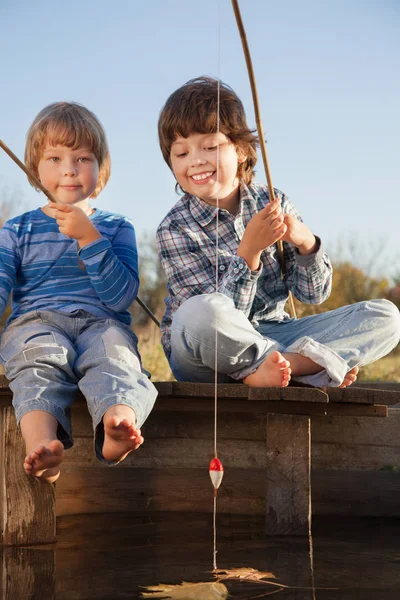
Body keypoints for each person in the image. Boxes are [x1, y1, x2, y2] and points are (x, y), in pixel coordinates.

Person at [156, 76, 400, 389]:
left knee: (385, 317)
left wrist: (305, 243)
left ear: (242, 150)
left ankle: (290, 366)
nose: (196, 160)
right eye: (181, 153)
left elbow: (313, 295)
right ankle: (310, 366)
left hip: (276, 331)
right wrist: (249, 252)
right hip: (208, 357)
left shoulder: (272, 200)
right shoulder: (175, 227)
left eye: (210, 146)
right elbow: (221, 317)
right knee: (196, 313)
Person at [0, 102, 157, 483]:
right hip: (36, 323)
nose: (68, 168)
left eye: (82, 157)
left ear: (99, 170)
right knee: (37, 363)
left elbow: (120, 298)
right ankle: (43, 446)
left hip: (101, 323)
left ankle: (117, 424)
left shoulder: (117, 227)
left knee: (117, 359)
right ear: (35, 168)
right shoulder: (17, 228)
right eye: (54, 157)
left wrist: (90, 238)